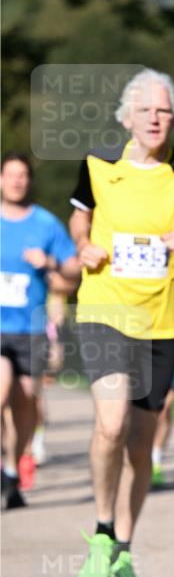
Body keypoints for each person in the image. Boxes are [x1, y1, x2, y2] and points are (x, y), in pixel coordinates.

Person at [69, 69, 174, 577]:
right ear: (127, 117)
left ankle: (123, 545)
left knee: (142, 448)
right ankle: (102, 529)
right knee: (112, 423)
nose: (154, 118)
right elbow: (81, 216)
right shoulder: (99, 163)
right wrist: (83, 246)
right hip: (104, 307)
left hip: (163, 319)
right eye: (144, 109)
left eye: (163, 110)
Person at [1, 153, 79, 510]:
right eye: (10, 175)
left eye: (22, 175)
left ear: (29, 181)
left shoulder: (46, 224)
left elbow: (71, 275)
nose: (16, 181)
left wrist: (48, 264)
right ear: (1, 180)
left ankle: (13, 470)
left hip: (30, 328)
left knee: (25, 403)